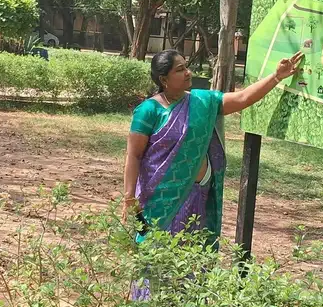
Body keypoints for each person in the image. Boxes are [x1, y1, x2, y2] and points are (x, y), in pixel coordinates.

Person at [123, 50, 303, 244]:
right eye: (180, 69)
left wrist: (276, 76)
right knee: (156, 252)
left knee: (193, 254)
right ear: (164, 79)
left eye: (187, 67)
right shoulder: (149, 111)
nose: (188, 73)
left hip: (199, 193)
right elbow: (134, 155)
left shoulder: (202, 101)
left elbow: (242, 98)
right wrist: (129, 197)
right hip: (160, 198)